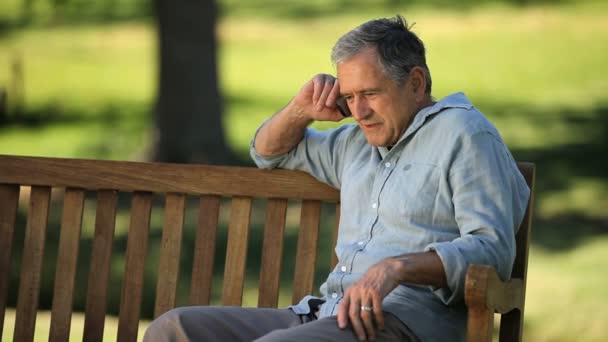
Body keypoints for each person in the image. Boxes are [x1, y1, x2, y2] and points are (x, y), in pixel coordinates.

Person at [144, 15, 530, 342]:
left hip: (403, 324)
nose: (358, 111)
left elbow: (492, 249)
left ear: (415, 83)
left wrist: (397, 267)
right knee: (173, 330)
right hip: (327, 314)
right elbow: (267, 151)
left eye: (370, 93)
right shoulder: (356, 142)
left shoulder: (465, 134)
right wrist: (300, 110)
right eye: (349, 96)